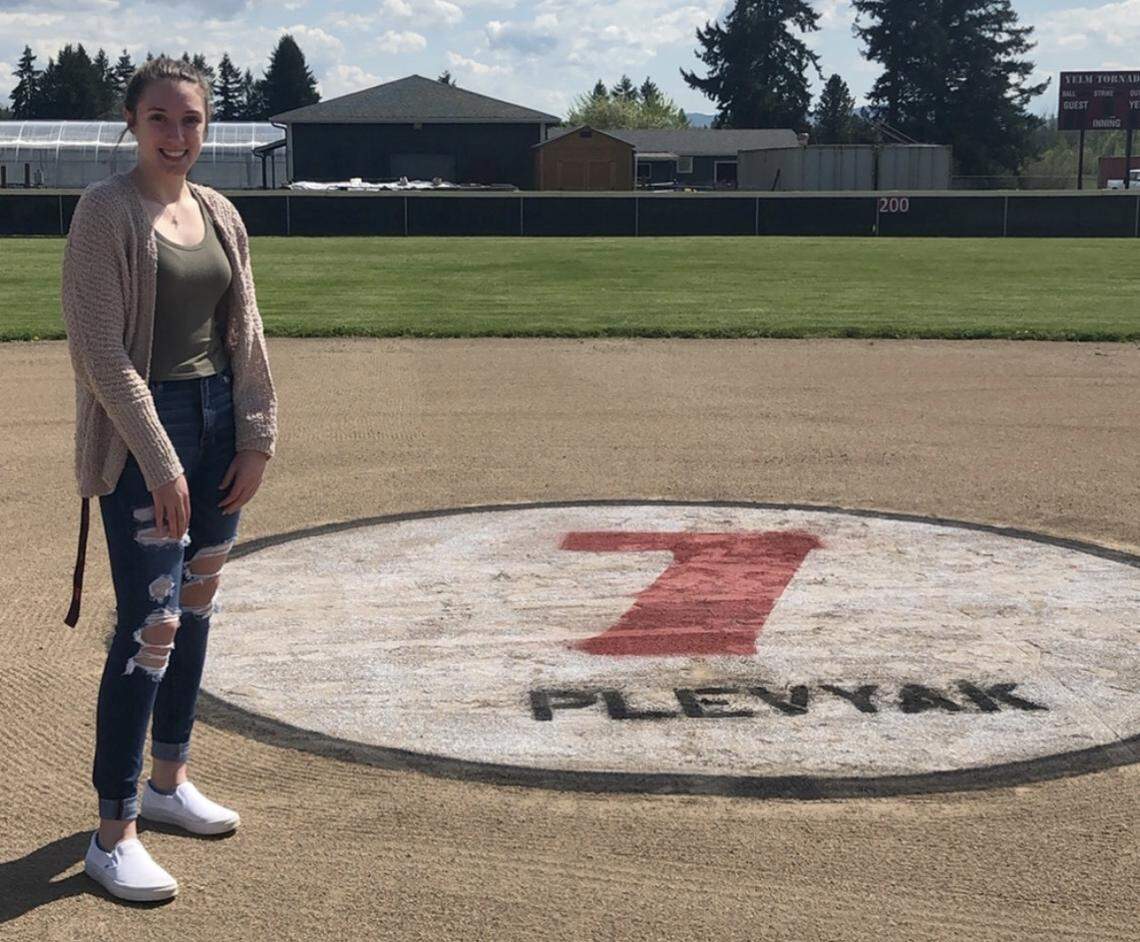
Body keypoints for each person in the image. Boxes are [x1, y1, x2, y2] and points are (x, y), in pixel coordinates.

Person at [60, 56, 277, 902]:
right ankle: (113, 833)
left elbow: (247, 331)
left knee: (194, 614)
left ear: (207, 124)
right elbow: (100, 353)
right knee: (149, 628)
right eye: (160, 119)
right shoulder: (104, 212)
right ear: (132, 122)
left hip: (219, 423)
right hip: (146, 433)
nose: (177, 136)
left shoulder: (220, 212)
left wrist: (255, 436)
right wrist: (159, 458)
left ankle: (168, 780)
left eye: (190, 120)